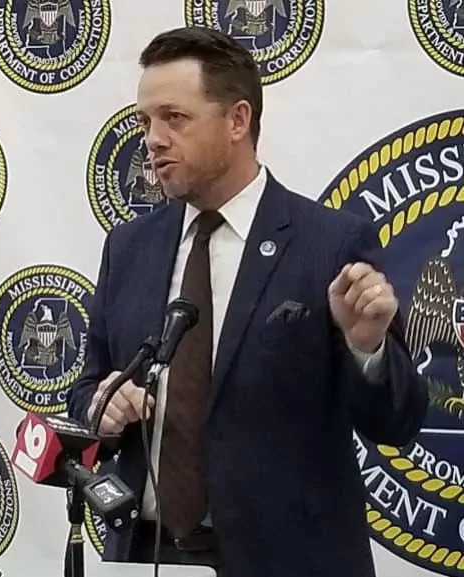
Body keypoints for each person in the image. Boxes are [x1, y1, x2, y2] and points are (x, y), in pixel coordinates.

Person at [67, 25, 428, 577]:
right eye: (145, 121)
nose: (153, 140)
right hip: (146, 557)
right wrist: (104, 407)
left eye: (174, 118)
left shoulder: (329, 243)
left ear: (237, 120)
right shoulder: (129, 248)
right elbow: (87, 390)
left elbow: (395, 422)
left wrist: (367, 349)